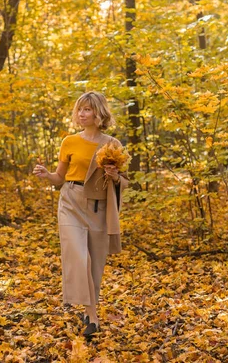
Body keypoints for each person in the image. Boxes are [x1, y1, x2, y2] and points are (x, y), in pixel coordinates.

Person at [33, 91, 129, 337]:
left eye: (87, 109)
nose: (81, 114)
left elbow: (124, 183)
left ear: (99, 112)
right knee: (79, 258)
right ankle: (92, 315)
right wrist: (46, 175)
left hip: (98, 207)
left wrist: (114, 175)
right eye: (79, 110)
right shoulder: (69, 142)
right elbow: (59, 177)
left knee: (95, 263)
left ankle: (88, 312)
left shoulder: (112, 145)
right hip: (70, 204)